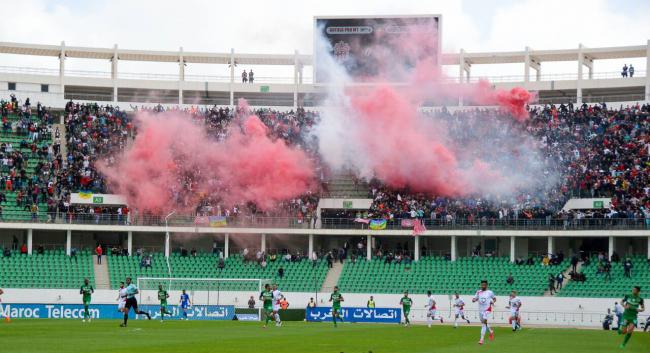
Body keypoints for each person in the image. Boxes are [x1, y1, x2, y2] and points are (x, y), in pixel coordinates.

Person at [472, 280, 496, 345]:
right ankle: (491, 331)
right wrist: (474, 299)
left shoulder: (490, 292)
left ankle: (481, 339)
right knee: (484, 323)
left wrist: (492, 301)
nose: (483, 286)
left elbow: (494, 298)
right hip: (480, 310)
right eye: (482, 285)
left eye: (484, 285)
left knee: (483, 324)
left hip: (487, 309)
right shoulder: (478, 292)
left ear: (486, 285)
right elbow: (474, 298)